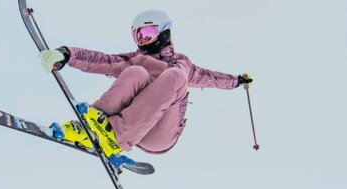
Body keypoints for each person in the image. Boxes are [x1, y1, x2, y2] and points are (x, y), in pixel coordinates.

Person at [39, 9, 253, 157]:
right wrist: (67, 54)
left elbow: (211, 78)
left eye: (148, 33)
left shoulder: (181, 65)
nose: (142, 40)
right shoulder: (136, 59)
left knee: (176, 76)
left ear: (164, 33)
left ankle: (115, 137)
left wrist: (236, 81)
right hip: (131, 126)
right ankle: (92, 125)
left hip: (160, 134)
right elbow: (102, 60)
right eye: (138, 35)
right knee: (135, 71)